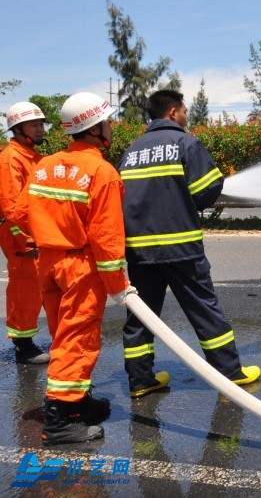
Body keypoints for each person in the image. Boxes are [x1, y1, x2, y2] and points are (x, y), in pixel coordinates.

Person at [13, 92, 139, 445]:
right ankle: (59, 419)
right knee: (77, 340)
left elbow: (20, 214)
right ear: (95, 128)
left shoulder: (44, 165)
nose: (111, 127)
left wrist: (46, 237)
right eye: (107, 122)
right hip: (80, 266)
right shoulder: (102, 172)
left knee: (62, 334)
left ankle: (77, 402)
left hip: (49, 263)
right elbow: (106, 237)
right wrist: (117, 284)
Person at [119, 89, 260, 398]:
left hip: (140, 252)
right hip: (181, 249)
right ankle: (229, 373)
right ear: (172, 112)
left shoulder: (131, 151)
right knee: (204, 311)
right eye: (184, 111)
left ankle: (140, 380)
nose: (186, 116)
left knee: (141, 315)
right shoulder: (186, 144)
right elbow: (205, 192)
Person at [1, 102, 50, 364]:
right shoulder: (12, 158)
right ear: (18, 129)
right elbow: (12, 207)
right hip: (21, 236)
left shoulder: (33, 157)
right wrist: (28, 241)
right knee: (25, 289)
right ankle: (23, 346)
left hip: (37, 234)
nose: (40, 129)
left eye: (41, 124)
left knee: (42, 288)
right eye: (34, 125)